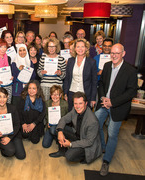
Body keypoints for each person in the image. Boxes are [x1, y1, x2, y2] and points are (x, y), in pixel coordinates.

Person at [95, 43, 137, 176]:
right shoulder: (107, 66)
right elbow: (101, 83)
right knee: (95, 122)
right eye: (112, 53)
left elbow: (131, 92)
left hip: (118, 107)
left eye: (117, 53)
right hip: (103, 104)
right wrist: (102, 97)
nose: (114, 55)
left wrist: (112, 102)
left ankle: (106, 161)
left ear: (123, 54)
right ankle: (103, 147)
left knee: (112, 134)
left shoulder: (130, 70)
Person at [49, 92, 102, 164]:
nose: (77, 106)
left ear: (86, 103)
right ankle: (62, 151)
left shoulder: (92, 121)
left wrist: (71, 144)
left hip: (86, 143)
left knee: (69, 156)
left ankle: (85, 157)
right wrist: (60, 132)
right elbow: (64, 119)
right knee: (55, 129)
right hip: (77, 134)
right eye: (75, 103)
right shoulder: (75, 109)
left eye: (80, 103)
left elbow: (89, 142)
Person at [0, 87, 26, 159]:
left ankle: (11, 145)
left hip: (14, 134)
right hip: (0, 135)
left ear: (7, 97)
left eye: (4, 97)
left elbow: (17, 124)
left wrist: (10, 138)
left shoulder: (12, 108)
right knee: (10, 151)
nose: (2, 100)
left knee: (21, 156)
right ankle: (5, 149)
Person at [63, 38, 97, 111]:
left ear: (86, 48)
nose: (80, 49)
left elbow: (94, 82)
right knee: (72, 116)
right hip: (72, 93)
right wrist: (65, 93)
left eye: (82, 46)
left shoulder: (92, 62)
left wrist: (93, 98)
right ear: (75, 48)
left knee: (84, 118)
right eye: (78, 47)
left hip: (85, 94)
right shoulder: (70, 61)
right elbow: (67, 79)